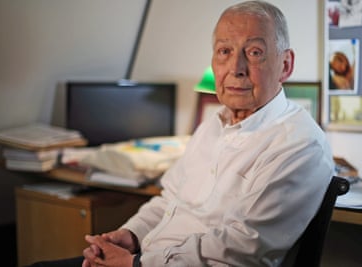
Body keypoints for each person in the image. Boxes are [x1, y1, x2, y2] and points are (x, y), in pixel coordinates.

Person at [28, 1, 334, 266]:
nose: (236, 67)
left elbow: (242, 252)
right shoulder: (212, 126)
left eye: (254, 52)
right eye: (224, 51)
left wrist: (137, 264)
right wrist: (130, 236)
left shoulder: (300, 144)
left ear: (286, 64)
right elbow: (168, 202)